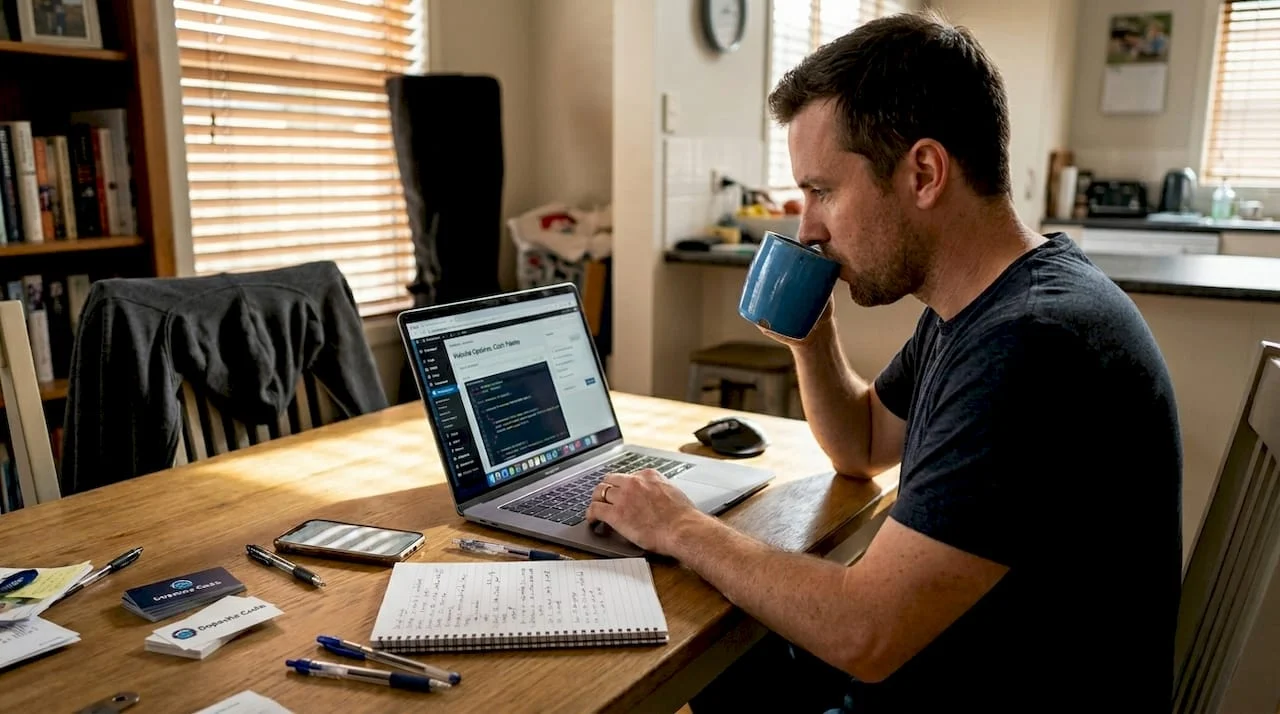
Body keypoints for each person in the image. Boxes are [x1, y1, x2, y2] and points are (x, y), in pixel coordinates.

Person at [586, 12, 1182, 713]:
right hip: (949, 664)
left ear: (924, 172)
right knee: (704, 638)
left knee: (665, 645)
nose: (805, 226)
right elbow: (863, 444)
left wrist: (679, 525)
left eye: (822, 191)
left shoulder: (1031, 342)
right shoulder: (983, 304)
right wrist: (810, 334)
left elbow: (866, 630)